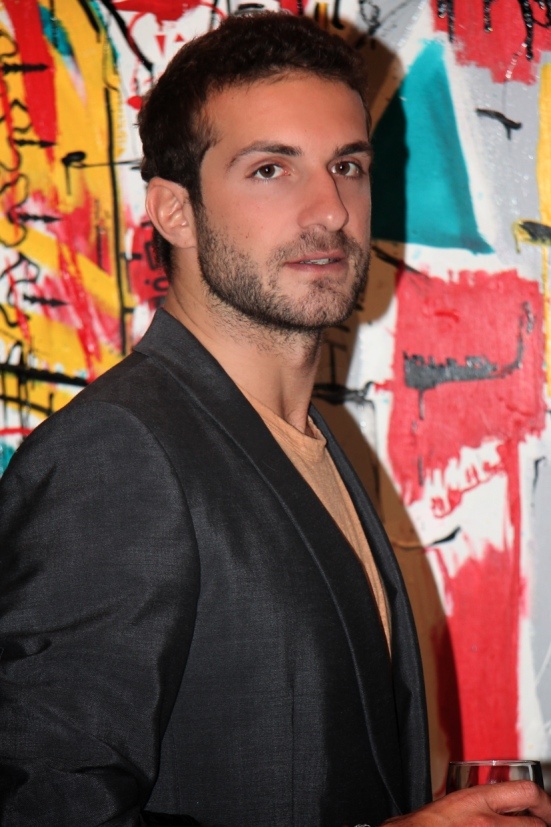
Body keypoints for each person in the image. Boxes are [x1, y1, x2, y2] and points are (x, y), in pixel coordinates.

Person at [0, 12, 549, 827]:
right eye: (270, 169)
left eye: (347, 166)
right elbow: (45, 810)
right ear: (174, 211)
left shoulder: (309, 444)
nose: (328, 209)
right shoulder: (119, 453)